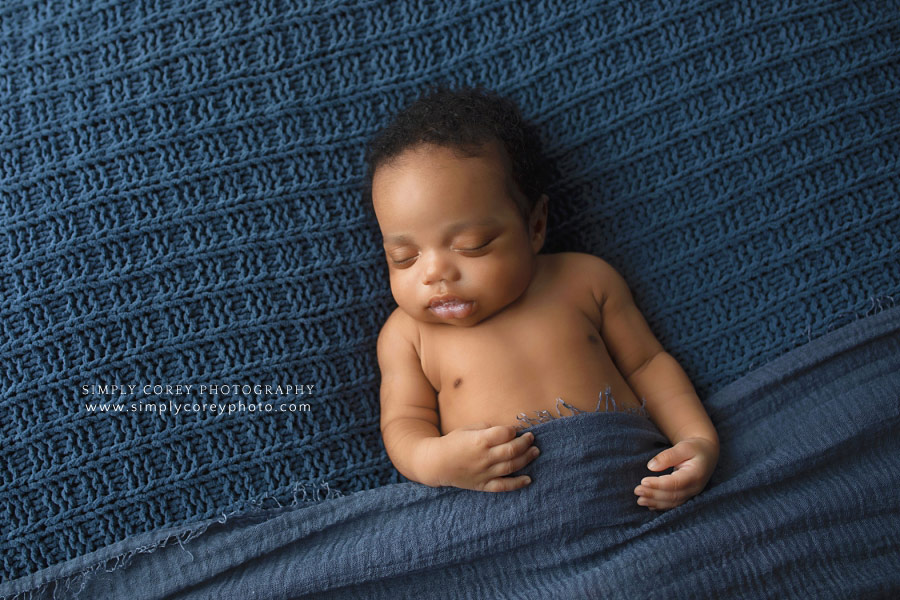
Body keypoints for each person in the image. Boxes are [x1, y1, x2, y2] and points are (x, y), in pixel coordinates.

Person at [364, 83, 719, 511]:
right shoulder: (407, 335)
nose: (434, 273)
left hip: (633, 487)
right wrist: (436, 460)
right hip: (507, 506)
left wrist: (697, 440)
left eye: (472, 244)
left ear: (535, 226)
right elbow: (405, 423)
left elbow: (647, 365)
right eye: (404, 258)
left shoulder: (585, 280)